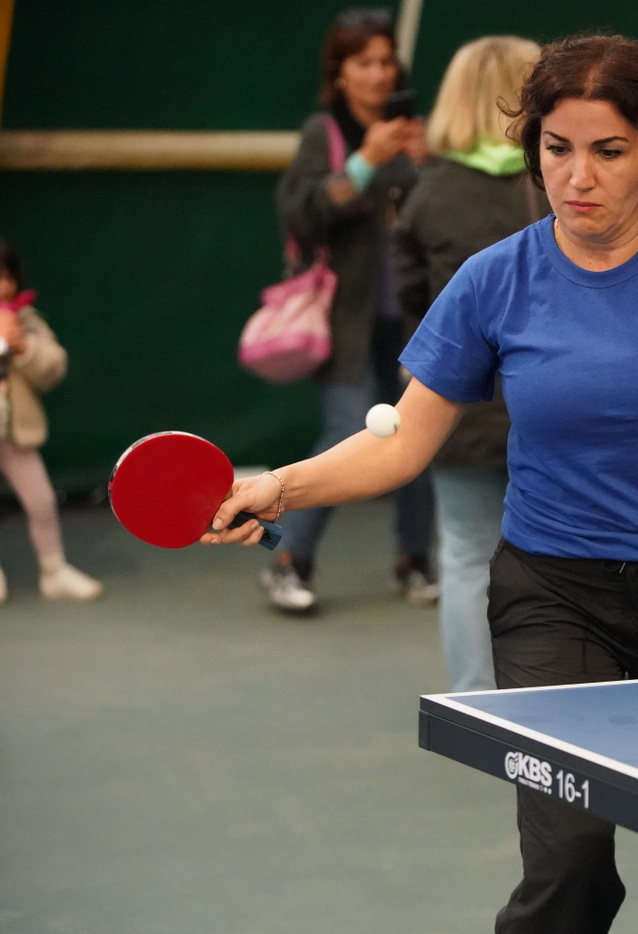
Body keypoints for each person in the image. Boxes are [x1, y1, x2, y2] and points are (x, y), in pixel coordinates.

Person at [205, 33, 638, 934]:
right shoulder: (495, 280)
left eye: (608, 150)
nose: (578, 176)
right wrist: (277, 486)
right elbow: (402, 442)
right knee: (569, 864)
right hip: (557, 598)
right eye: (557, 148)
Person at [264, 6, 437, 613]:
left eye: (387, 61)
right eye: (364, 62)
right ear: (340, 72)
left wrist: (428, 165)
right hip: (346, 320)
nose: (379, 73)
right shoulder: (327, 133)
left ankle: (412, 560)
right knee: (347, 430)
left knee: (419, 431)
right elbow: (301, 213)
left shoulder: (414, 132)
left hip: (411, 316)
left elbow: (436, 219)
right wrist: (365, 161)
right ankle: (288, 560)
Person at [394, 35, 544, 692]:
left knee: (464, 554)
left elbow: (413, 303)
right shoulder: (566, 186)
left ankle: (478, 704)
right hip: (557, 406)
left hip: (461, 412)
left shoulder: (430, 195)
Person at [0, 238, 102, 603]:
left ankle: (54, 571)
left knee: (42, 501)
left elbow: (52, 368)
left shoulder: (26, 320)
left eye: (6, 276)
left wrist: (22, 347)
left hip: (16, 437)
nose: (2, 285)